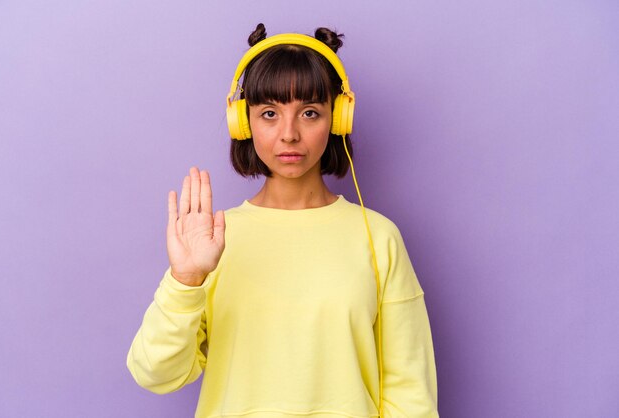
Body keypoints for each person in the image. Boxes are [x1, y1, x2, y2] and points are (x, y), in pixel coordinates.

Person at [127, 23, 439, 418]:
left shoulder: (378, 237)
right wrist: (185, 281)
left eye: (309, 112)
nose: (289, 134)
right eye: (270, 113)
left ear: (339, 118)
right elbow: (154, 373)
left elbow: (411, 395)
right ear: (243, 123)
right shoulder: (213, 241)